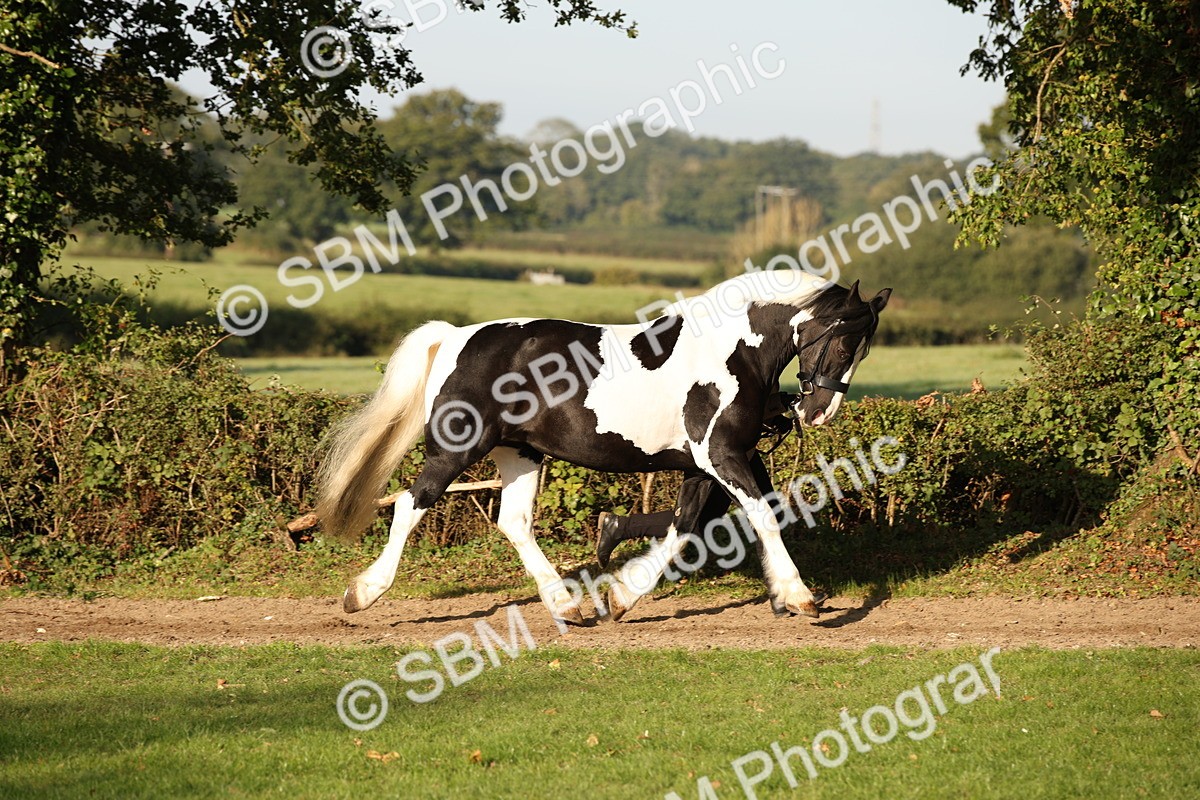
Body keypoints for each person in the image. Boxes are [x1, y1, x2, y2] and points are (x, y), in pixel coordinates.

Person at [595, 390, 796, 568]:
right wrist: (778, 406)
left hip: (733, 449)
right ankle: (781, 595)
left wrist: (778, 408)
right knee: (766, 514)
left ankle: (620, 527)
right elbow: (737, 403)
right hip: (723, 451)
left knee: (704, 521)